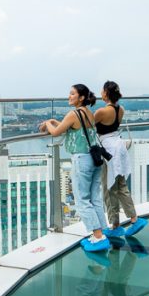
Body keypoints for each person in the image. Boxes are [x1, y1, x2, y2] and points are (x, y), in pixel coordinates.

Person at [40, 84, 110, 252]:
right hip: (95, 158)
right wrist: (57, 123)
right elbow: (71, 128)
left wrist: (48, 123)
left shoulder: (73, 114)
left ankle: (98, 236)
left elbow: (56, 133)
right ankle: (103, 231)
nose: (69, 96)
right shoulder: (87, 113)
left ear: (81, 97)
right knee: (95, 197)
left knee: (82, 200)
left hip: (82, 159)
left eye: (72, 94)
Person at [94, 81, 146, 237]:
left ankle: (115, 224)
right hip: (120, 146)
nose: (100, 93)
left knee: (109, 188)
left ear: (106, 93)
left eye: (102, 91)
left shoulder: (101, 112)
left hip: (109, 149)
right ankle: (134, 218)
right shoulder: (120, 109)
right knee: (121, 185)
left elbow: (87, 126)